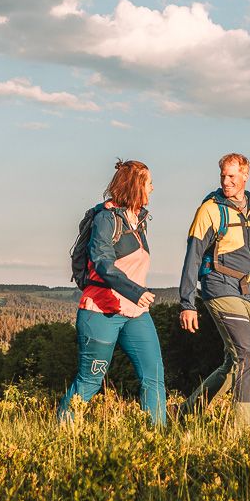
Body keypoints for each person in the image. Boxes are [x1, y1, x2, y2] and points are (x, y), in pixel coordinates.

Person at [178, 152, 250, 428]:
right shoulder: (210, 210)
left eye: (232, 176)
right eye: (223, 176)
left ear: (245, 175)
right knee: (248, 356)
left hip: (249, 292)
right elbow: (192, 256)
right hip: (219, 287)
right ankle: (242, 429)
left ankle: (185, 414)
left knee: (234, 363)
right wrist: (187, 302)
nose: (226, 181)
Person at [60, 159, 168, 427]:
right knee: (90, 380)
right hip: (101, 311)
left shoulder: (139, 221)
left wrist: (135, 297)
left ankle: (159, 440)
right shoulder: (106, 219)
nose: (153, 188)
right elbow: (103, 263)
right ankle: (62, 431)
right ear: (135, 185)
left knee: (154, 377)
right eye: (149, 182)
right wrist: (135, 291)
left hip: (136, 313)